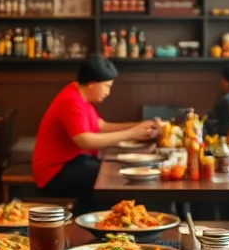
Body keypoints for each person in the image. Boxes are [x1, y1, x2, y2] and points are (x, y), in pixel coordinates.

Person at [32, 55, 160, 213]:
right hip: (54, 172)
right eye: (107, 86)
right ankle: (96, 223)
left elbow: (100, 126)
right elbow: (85, 141)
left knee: (110, 172)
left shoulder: (79, 93)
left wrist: (139, 126)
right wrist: (132, 133)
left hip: (74, 163)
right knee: (110, 177)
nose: (108, 92)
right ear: (92, 84)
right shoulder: (71, 99)